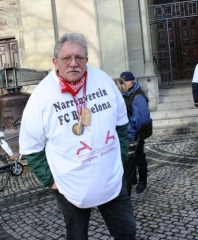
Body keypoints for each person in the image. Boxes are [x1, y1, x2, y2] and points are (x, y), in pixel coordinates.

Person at [19, 33, 136, 239]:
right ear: (55, 62)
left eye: (79, 57)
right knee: (77, 236)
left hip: (111, 180)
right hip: (70, 188)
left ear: (87, 60)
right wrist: (52, 182)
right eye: (66, 58)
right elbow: (31, 147)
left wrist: (121, 158)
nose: (73, 63)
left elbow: (121, 124)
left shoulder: (104, 81)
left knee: (126, 233)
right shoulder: (41, 97)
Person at [120, 71, 151, 194]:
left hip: (136, 132)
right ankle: (132, 179)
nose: (127, 83)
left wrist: (133, 130)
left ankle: (142, 180)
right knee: (129, 159)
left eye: (129, 80)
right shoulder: (122, 94)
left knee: (139, 157)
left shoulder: (138, 96)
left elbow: (142, 117)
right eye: (125, 81)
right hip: (128, 132)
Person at [114, 77, 141, 197]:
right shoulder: (130, 102)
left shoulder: (110, 103)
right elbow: (138, 121)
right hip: (129, 142)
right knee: (128, 173)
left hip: (114, 143)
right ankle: (126, 197)